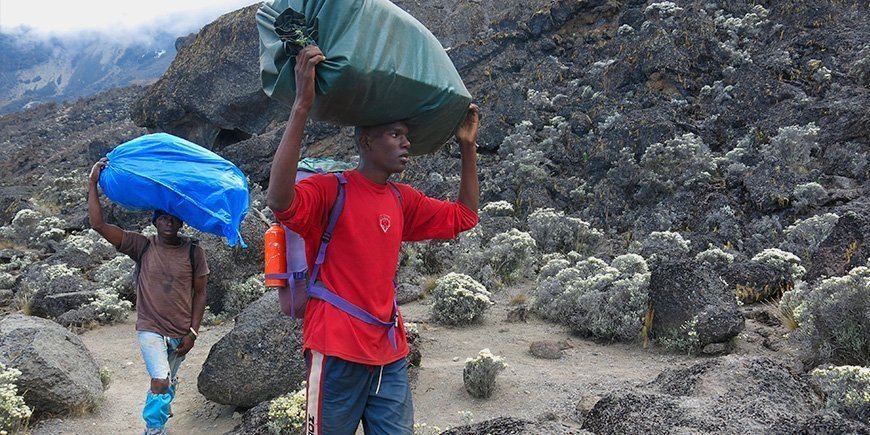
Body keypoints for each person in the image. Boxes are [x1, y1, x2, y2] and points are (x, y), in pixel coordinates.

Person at [266, 45, 480, 435]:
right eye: (395, 135)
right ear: (365, 142)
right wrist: (301, 105)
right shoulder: (330, 191)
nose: (406, 143)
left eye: (406, 136)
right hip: (335, 348)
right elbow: (279, 200)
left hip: (390, 351)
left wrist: (467, 147)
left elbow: (464, 217)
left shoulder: (402, 199)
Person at [87, 158, 209, 435]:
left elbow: (201, 294)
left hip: (180, 331)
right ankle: (154, 430)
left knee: (170, 381)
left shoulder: (194, 252)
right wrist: (93, 182)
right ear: (155, 222)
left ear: (180, 221)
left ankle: (160, 413)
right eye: (162, 216)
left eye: (173, 216)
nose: (168, 220)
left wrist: (192, 333)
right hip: (150, 328)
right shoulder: (141, 246)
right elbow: (97, 225)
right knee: (161, 380)